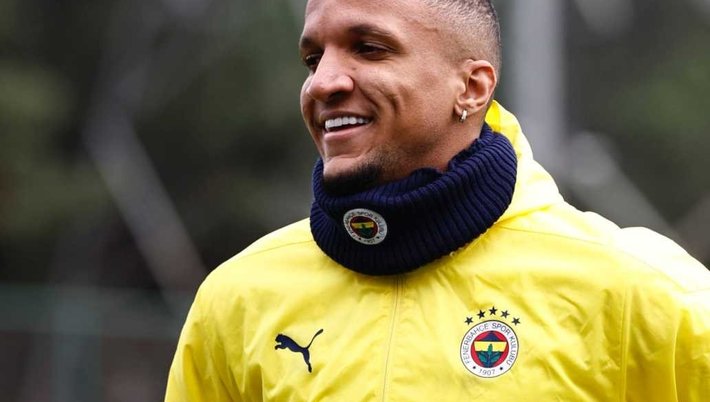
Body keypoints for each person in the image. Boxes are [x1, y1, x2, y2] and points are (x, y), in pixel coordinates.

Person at [165, 0, 710, 400]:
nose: (323, 83)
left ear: (471, 88)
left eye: (369, 48)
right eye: (313, 59)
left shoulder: (642, 290)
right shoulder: (236, 299)